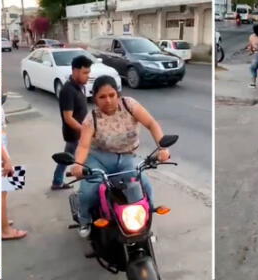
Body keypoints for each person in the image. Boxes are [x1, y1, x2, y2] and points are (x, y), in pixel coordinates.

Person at [71, 76, 170, 238]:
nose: (108, 100)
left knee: (144, 185)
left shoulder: (129, 105)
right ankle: (84, 220)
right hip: (99, 158)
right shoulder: (91, 118)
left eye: (111, 95)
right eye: (102, 97)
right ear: (95, 99)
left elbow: (151, 123)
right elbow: (83, 145)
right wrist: (79, 164)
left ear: (118, 94)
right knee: (89, 190)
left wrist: (162, 148)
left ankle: (146, 221)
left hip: (126, 158)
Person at [51, 55, 93, 190]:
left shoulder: (80, 87)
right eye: (85, 73)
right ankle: (88, 189)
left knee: (67, 159)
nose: (87, 76)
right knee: (85, 161)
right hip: (74, 134)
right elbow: (68, 118)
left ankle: (57, 182)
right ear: (75, 71)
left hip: (79, 133)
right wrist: (85, 131)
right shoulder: (68, 91)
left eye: (89, 72)